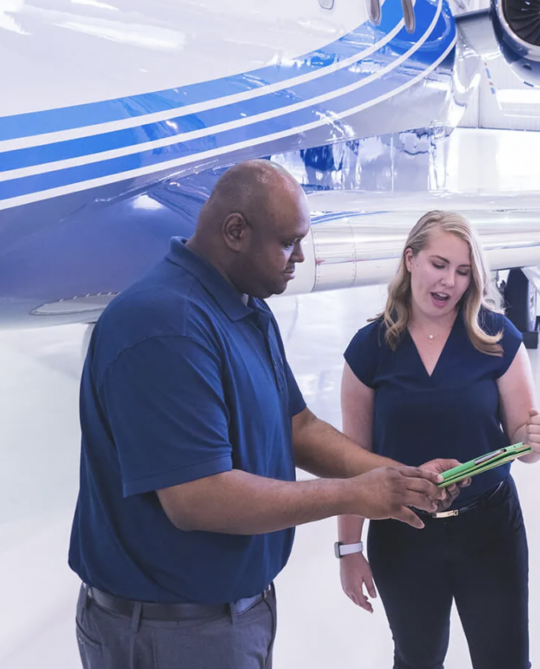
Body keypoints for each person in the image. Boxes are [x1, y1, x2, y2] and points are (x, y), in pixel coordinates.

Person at [69, 160, 462, 669]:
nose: (300, 256)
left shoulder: (245, 306)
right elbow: (197, 498)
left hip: (229, 616)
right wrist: (354, 495)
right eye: (287, 242)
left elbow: (296, 426)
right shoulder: (166, 326)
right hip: (169, 634)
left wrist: (397, 479)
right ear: (235, 231)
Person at [337, 210, 540, 669]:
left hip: (489, 528)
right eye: (439, 264)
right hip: (403, 530)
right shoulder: (369, 349)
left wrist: (533, 439)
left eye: (462, 271)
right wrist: (349, 549)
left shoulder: (498, 337)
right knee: (417, 660)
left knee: (506, 660)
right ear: (410, 259)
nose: (449, 282)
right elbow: (350, 461)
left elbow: (520, 434)